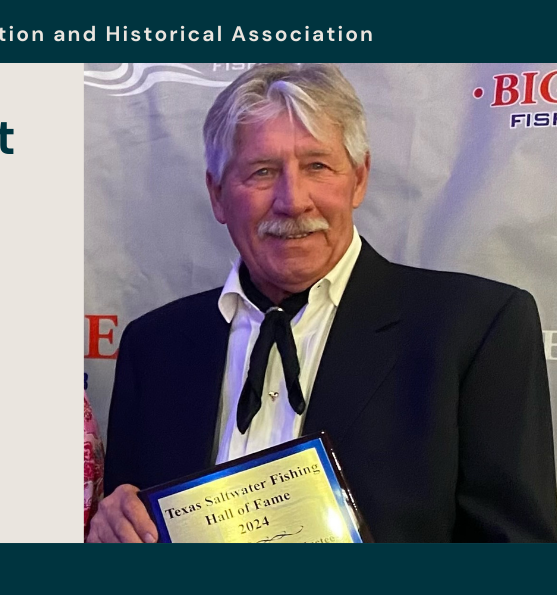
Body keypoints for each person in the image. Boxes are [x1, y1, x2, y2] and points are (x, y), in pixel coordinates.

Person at [87, 63, 557, 543]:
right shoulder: (153, 346)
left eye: (317, 166)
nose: (293, 201)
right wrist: (113, 533)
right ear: (218, 195)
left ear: (358, 179)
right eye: (262, 171)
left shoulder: (476, 329)